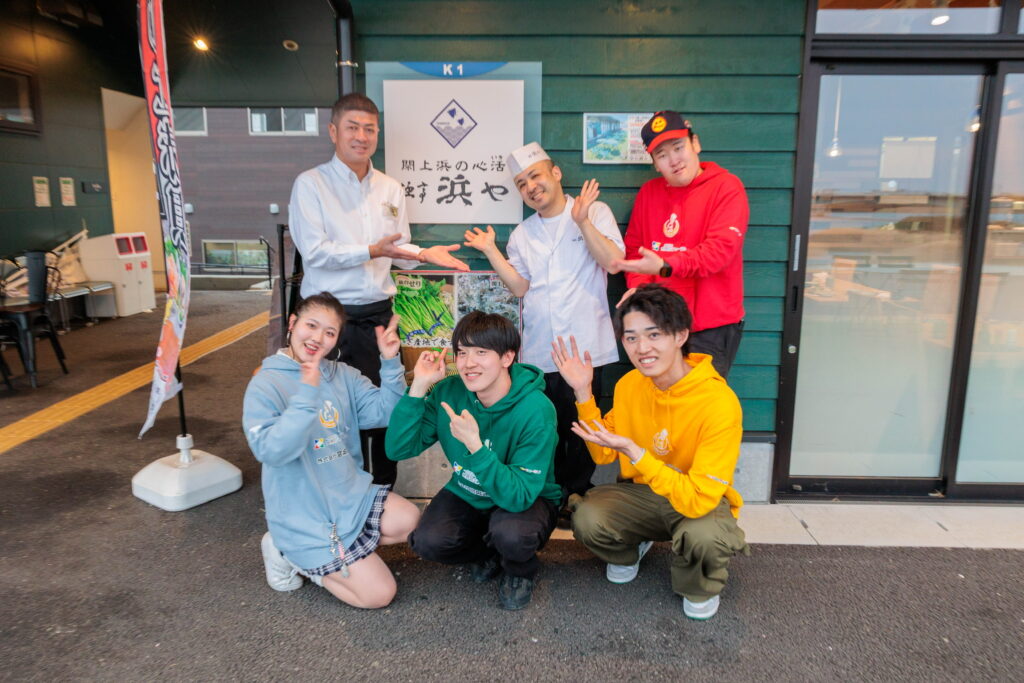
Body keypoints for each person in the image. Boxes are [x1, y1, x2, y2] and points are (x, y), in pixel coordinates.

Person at [287, 92, 470, 487]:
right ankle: (331, 493)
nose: (361, 136)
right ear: (333, 131)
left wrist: (423, 254)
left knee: (385, 410)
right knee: (327, 411)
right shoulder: (311, 185)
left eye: (369, 129)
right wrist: (372, 250)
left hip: (377, 317)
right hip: (326, 320)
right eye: (352, 127)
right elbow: (315, 252)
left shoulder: (390, 187)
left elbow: (396, 251)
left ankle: (382, 493)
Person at [551, 284, 748, 620]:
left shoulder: (719, 402)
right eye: (631, 338)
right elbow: (602, 455)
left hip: (697, 499)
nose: (642, 348)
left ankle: (698, 585)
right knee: (587, 516)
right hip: (644, 494)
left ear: (681, 335)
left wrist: (638, 454)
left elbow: (698, 500)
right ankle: (630, 548)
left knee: (706, 538)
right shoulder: (630, 385)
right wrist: (583, 392)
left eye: (654, 334)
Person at [463, 142, 624, 521]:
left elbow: (614, 262)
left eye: (535, 176)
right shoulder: (522, 234)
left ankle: (577, 493)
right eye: (521, 183)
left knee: (583, 425)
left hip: (585, 345)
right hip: (540, 348)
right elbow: (520, 287)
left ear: (556, 173)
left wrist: (582, 222)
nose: (531, 187)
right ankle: (547, 495)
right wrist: (491, 250)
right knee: (544, 426)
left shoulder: (594, 211)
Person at [243, 292, 420, 609]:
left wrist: (390, 361)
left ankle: (346, 556)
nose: (317, 338)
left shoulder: (343, 375)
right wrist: (306, 396)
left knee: (409, 520)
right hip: (305, 517)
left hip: (350, 497)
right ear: (292, 324)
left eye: (329, 332)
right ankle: (289, 554)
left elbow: (386, 414)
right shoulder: (265, 383)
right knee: (379, 594)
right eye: (311, 326)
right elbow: (272, 452)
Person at [385, 311, 560, 610]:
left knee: (512, 535)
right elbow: (398, 449)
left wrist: (476, 447)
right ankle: (487, 554)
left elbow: (519, 496)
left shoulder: (536, 409)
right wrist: (419, 387)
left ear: (507, 358)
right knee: (428, 542)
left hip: (526, 496)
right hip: (469, 490)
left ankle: (519, 571)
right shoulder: (449, 392)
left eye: (481, 352)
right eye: (462, 352)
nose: (468, 363)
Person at [615, 111, 749, 378]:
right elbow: (635, 251)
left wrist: (665, 266)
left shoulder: (727, 187)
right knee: (659, 396)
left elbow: (718, 253)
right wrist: (639, 287)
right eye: (662, 155)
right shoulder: (649, 193)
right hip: (659, 325)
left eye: (678, 148)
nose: (674, 160)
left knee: (699, 399)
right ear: (655, 163)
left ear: (695, 143)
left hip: (711, 327)